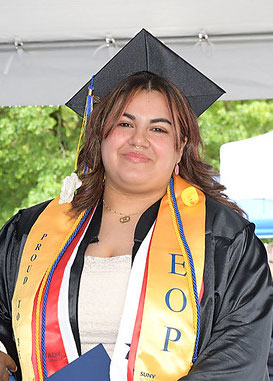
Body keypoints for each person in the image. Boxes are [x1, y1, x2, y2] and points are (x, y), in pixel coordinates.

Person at [0, 29, 272, 381]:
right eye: (124, 123)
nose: (138, 139)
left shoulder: (223, 240)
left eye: (158, 129)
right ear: (100, 135)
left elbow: (239, 358)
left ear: (180, 146)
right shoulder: (30, 231)